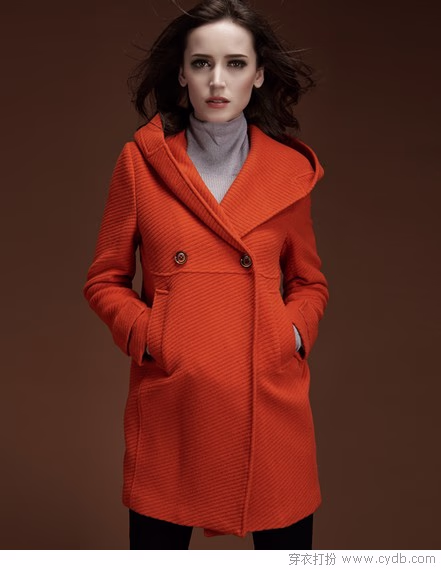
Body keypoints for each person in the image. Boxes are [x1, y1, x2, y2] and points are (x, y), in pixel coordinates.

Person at [83, 0, 329, 550]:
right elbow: (104, 279)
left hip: (269, 403)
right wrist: (154, 335)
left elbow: (309, 283)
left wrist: (287, 336)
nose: (218, 81)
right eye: (202, 63)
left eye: (236, 64)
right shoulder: (141, 163)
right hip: (174, 404)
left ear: (258, 75)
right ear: (181, 73)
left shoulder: (288, 173)